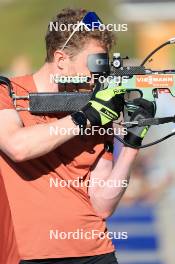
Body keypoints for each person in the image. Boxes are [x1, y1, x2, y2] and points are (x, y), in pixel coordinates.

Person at [0, 8, 155, 264]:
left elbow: (102, 204)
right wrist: (86, 118)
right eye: (94, 64)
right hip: (26, 255)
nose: (99, 75)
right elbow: (18, 146)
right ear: (61, 59)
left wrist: (131, 144)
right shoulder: (7, 92)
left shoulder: (96, 107)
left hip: (94, 252)